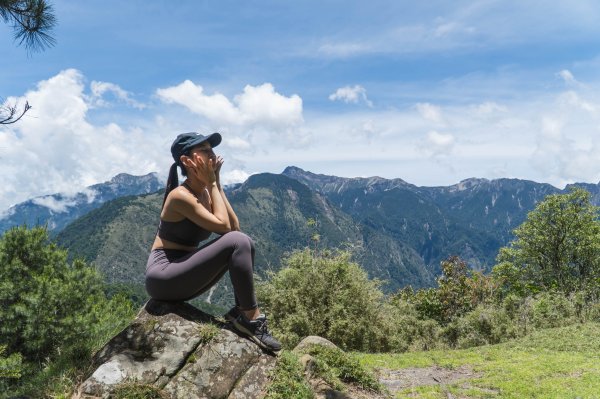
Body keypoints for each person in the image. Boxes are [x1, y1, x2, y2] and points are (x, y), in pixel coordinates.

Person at [145, 132, 281, 352]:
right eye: (205, 150)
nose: (213, 155)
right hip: (164, 275)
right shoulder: (180, 196)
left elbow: (235, 228)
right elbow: (226, 229)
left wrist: (215, 184)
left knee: (244, 242)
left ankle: (241, 313)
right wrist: (213, 184)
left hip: (184, 269)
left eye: (212, 150)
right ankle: (251, 319)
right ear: (187, 161)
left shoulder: (206, 191)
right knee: (238, 241)